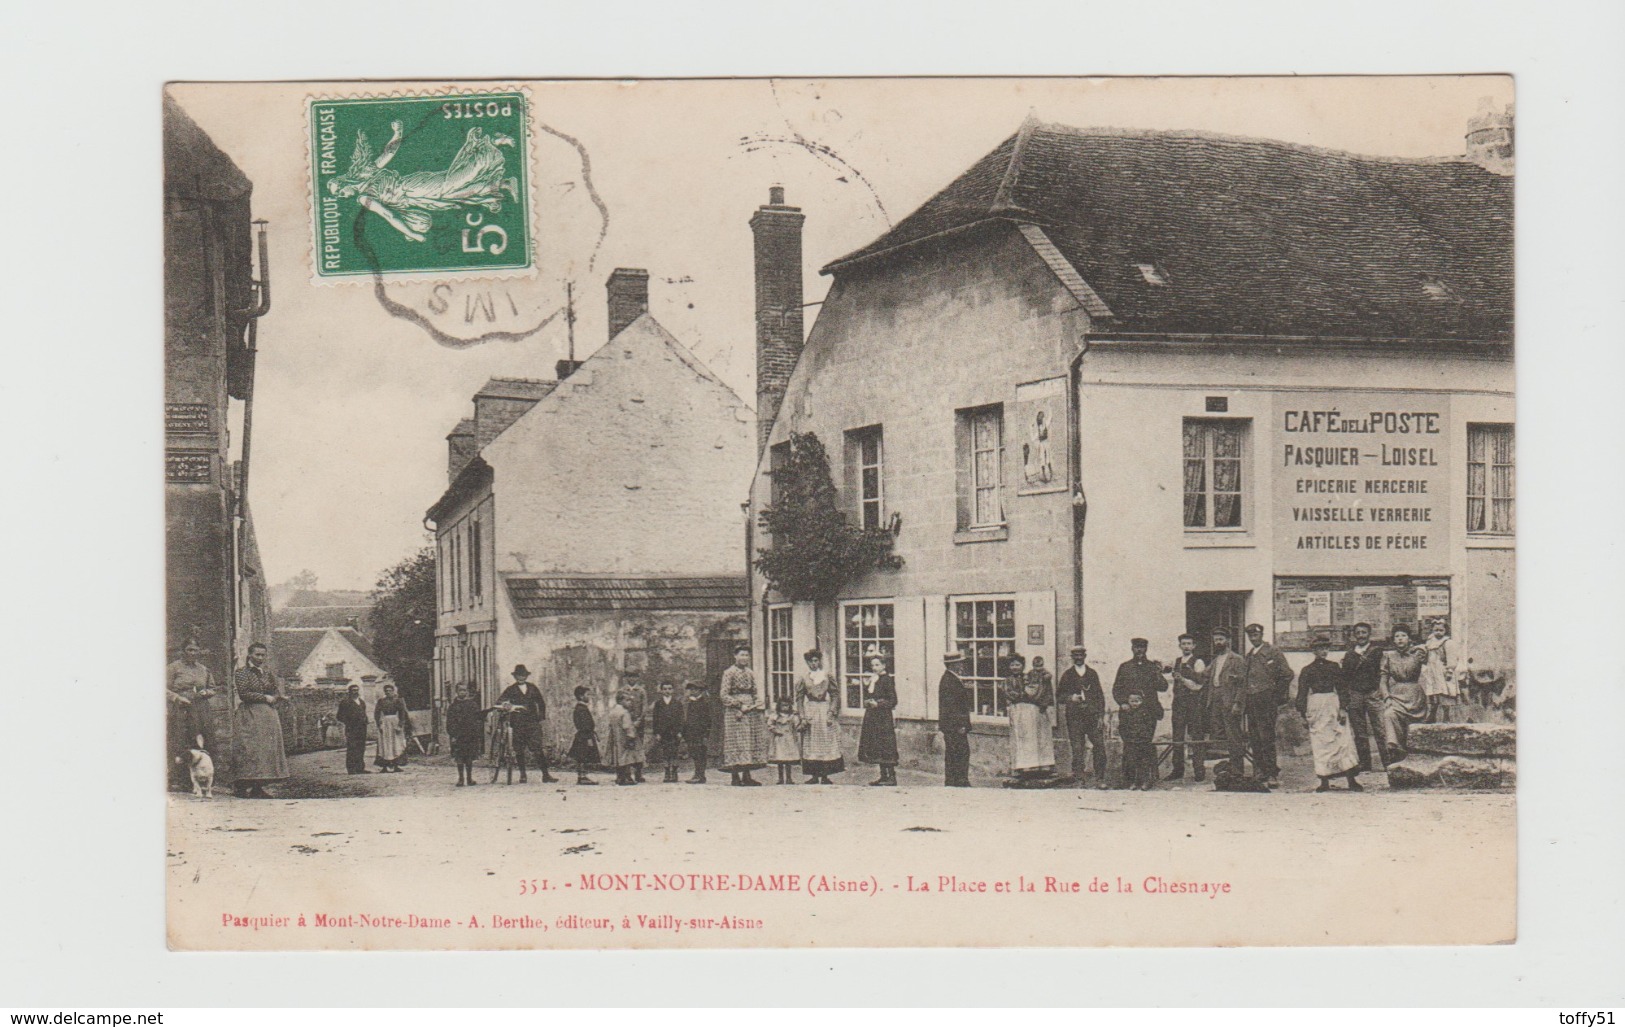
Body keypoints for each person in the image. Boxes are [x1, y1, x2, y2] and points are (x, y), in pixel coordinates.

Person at [1296, 636, 1362, 792]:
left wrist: (1343, 708)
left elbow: (1342, 688)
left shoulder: (1334, 667)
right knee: (1321, 743)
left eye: (1326, 648)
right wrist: (1303, 714)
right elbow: (1302, 693)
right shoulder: (1307, 670)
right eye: (1319, 648)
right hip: (1317, 707)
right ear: (1314, 651)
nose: (1323, 651)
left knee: (1343, 741)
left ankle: (1351, 780)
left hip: (1333, 705)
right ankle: (1324, 781)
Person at [1241, 623, 1294, 787]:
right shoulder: (1249, 655)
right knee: (1255, 737)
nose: (1253, 638)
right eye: (1250, 636)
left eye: (1255, 635)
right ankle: (1260, 771)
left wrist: (1275, 696)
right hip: (1252, 700)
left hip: (1266, 700)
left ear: (1262, 635)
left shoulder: (1273, 652)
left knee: (1267, 737)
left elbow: (1287, 674)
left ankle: (1271, 773)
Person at [232, 642, 287, 799]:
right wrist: (264, 697)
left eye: (263, 655)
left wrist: (275, 697)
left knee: (265, 750)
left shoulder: (267, 673)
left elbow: (276, 690)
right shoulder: (242, 672)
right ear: (249, 655)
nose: (260, 658)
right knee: (249, 748)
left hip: (268, 716)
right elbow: (244, 693)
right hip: (250, 714)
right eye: (257, 654)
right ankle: (241, 786)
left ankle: (258, 787)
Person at [1112, 638, 1167, 790]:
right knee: (1129, 747)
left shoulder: (1152, 667)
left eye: (1142, 647)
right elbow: (1116, 689)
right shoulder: (1125, 667)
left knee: (1145, 746)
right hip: (1129, 715)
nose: (1139, 650)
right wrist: (1123, 703)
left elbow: (1163, 687)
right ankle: (1130, 780)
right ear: (1132, 648)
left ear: (1146, 649)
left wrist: (1158, 672)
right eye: (1137, 647)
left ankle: (1146, 780)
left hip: (1148, 714)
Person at [167, 639, 218, 791]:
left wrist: (207, 692)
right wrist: (177, 698)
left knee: (203, 739)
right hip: (181, 708)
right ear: (183, 651)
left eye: (195, 650)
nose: (192, 653)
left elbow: (213, 688)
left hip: (201, 708)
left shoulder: (203, 669)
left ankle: (204, 779)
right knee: (182, 740)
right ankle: (182, 780)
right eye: (189, 650)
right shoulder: (173, 668)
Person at [1056, 644, 1107, 789]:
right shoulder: (1067, 675)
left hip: (1092, 716)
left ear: (1085, 656)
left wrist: (1101, 717)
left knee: (1099, 746)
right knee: (1077, 748)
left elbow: (1100, 696)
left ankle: (1100, 778)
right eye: (1075, 656)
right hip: (1075, 718)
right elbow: (1059, 696)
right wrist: (1071, 698)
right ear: (1072, 657)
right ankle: (1079, 778)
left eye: (1081, 655)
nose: (1078, 658)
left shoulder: (1092, 674)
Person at [497, 665, 557, 784]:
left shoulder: (532, 688)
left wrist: (540, 717)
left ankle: (546, 775)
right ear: (515, 676)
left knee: (537, 749)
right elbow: (500, 700)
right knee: (519, 750)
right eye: (518, 675)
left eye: (523, 675)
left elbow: (541, 703)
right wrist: (506, 704)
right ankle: (523, 775)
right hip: (517, 723)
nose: (521, 677)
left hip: (532, 723)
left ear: (526, 676)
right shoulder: (511, 689)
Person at [1003, 654, 1056, 786]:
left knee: (1033, 737)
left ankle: (1037, 766)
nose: (1015, 668)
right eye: (1012, 665)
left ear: (1023, 666)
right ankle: (1022, 767)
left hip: (1031, 711)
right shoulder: (1007, 680)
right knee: (1021, 738)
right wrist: (1023, 695)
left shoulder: (1029, 676)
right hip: (1018, 710)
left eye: (1018, 665)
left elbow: (1039, 686)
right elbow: (1009, 693)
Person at [1340, 622, 1386, 772]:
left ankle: (1388, 762)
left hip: (1373, 693)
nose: (1361, 636)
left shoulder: (1377, 652)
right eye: (1358, 633)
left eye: (1364, 632)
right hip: (1355, 694)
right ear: (1354, 635)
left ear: (1369, 634)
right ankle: (1365, 763)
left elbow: (1382, 673)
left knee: (1380, 729)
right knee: (1359, 732)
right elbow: (1345, 676)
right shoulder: (1349, 654)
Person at [795, 650, 845, 784]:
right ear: (807, 663)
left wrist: (832, 712)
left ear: (819, 661)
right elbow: (799, 699)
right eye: (811, 661)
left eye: (816, 661)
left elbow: (835, 695)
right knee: (811, 743)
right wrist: (802, 716)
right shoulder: (804, 678)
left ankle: (825, 776)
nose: (813, 664)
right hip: (810, 709)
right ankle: (814, 775)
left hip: (824, 709)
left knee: (826, 742)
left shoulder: (827, 676)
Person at [719, 645, 767, 786]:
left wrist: (757, 701)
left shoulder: (750, 673)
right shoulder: (729, 672)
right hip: (735, 711)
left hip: (750, 711)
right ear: (735, 656)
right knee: (736, 741)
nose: (744, 658)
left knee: (748, 741)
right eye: (742, 655)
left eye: (747, 655)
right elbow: (723, 695)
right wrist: (739, 705)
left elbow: (755, 691)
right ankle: (735, 776)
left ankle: (747, 775)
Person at [1380, 626, 1429, 763]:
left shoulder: (1418, 654)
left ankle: (1414, 754)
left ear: (1409, 639)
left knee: (1414, 725)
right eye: (1397, 636)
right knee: (1389, 714)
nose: (1400, 639)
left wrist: (1422, 648)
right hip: (1396, 694)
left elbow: (1430, 652)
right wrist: (1387, 697)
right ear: (1393, 640)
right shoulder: (1388, 656)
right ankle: (1395, 748)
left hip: (1415, 693)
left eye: (1403, 635)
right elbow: (1383, 680)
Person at [1208, 628, 1249, 780]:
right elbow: (1204, 676)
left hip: (1230, 702)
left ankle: (1238, 770)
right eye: (1216, 640)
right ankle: (1228, 767)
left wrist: (1237, 703)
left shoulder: (1236, 659)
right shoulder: (1216, 660)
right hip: (1216, 700)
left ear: (1228, 641)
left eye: (1220, 639)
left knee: (1234, 736)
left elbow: (1242, 684)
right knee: (1220, 735)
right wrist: (1185, 672)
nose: (1218, 642)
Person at [1167, 634, 1210, 783]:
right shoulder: (1176, 662)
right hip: (1178, 703)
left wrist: (1183, 680)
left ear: (1193, 646)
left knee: (1196, 736)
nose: (1186, 646)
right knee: (1177, 737)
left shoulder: (1198, 662)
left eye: (1189, 644)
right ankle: (1177, 770)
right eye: (1183, 644)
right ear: (1180, 646)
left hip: (1194, 703)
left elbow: (1199, 685)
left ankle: (1199, 770)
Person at [858, 653, 900, 786]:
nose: (874, 667)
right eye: (872, 665)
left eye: (877, 665)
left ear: (884, 665)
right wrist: (868, 699)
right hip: (873, 717)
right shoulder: (873, 679)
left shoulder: (887, 679)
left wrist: (879, 704)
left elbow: (893, 700)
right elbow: (871, 695)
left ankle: (891, 777)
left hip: (883, 718)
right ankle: (883, 776)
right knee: (877, 746)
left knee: (886, 745)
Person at [938, 650, 974, 787]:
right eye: (959, 663)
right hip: (954, 726)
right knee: (958, 752)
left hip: (953, 725)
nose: (962, 665)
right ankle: (958, 780)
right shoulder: (949, 680)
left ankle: (956, 780)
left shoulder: (951, 678)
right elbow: (951, 706)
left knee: (956, 752)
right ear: (953, 665)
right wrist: (960, 725)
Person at [1419, 618, 1459, 724]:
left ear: (1445, 630)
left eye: (1441, 630)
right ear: (1432, 630)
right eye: (1436, 630)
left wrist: (1450, 670)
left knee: (1444, 692)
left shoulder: (1447, 642)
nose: (1438, 632)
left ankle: (1446, 716)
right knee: (1433, 693)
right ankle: (1432, 714)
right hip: (1431, 671)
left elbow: (1452, 658)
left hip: (1442, 671)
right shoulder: (1429, 642)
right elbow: (1426, 655)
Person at [447, 683, 484, 787]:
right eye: (460, 690)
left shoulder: (472, 705)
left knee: (469, 757)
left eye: (464, 690)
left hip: (470, 735)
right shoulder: (453, 706)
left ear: (467, 692)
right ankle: (461, 779)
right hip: (458, 735)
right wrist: (452, 735)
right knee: (459, 757)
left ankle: (469, 778)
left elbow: (477, 719)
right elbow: (450, 722)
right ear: (457, 692)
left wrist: (477, 732)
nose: (462, 692)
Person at [648, 681, 684, 783]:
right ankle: (667, 772)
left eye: (669, 689)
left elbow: (681, 718)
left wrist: (680, 731)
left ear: (672, 690)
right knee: (665, 752)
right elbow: (655, 719)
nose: (667, 691)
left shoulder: (677, 703)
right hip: (663, 732)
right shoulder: (658, 704)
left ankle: (675, 772)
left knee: (674, 752)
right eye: (665, 689)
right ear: (661, 690)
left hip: (674, 732)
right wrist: (657, 733)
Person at [372, 683, 413, 773]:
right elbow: (377, 713)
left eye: (390, 691)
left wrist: (400, 725)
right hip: (385, 723)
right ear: (384, 692)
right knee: (385, 744)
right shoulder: (381, 701)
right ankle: (384, 766)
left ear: (393, 691)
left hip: (395, 722)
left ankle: (396, 765)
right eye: (386, 691)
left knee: (396, 743)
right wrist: (379, 724)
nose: (388, 692)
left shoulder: (398, 701)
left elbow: (402, 713)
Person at [604, 689, 639, 785]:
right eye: (627, 700)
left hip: (616, 738)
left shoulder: (613, 712)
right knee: (627, 757)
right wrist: (631, 737)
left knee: (618, 757)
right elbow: (627, 726)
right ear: (621, 701)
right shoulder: (624, 713)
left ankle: (619, 777)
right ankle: (627, 777)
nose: (630, 702)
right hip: (624, 738)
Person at [567, 685, 599, 785]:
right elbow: (585, 725)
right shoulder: (581, 709)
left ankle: (582, 776)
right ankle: (582, 777)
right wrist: (589, 737)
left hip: (584, 735)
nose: (589, 697)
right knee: (583, 757)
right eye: (587, 695)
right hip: (585, 736)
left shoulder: (581, 708)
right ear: (581, 696)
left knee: (583, 756)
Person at [681, 681, 712, 784]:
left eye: (694, 689)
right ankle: (697, 773)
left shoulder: (705, 703)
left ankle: (700, 774)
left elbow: (707, 720)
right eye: (691, 689)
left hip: (700, 733)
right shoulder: (689, 703)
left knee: (700, 753)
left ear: (700, 691)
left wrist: (705, 734)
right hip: (691, 732)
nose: (692, 691)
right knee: (694, 752)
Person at [336, 683, 370, 775]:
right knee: (352, 747)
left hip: (362, 728)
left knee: (361, 747)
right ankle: (351, 769)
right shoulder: (345, 702)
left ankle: (360, 768)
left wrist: (366, 719)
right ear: (349, 692)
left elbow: (363, 713)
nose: (356, 692)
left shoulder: (361, 702)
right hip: (351, 728)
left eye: (357, 690)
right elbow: (339, 716)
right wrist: (349, 722)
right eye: (354, 690)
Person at [767, 697, 803, 784]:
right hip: (779, 739)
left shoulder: (792, 716)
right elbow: (770, 725)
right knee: (780, 759)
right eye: (783, 705)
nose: (785, 707)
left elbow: (797, 726)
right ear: (779, 706)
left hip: (789, 739)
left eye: (787, 705)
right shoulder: (775, 716)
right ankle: (780, 778)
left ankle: (789, 778)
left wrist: (801, 726)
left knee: (788, 760)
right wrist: (775, 730)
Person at [623, 670, 649, 784]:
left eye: (634, 676)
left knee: (638, 747)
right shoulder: (622, 691)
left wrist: (639, 720)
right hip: (626, 723)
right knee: (627, 747)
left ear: (638, 678)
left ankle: (638, 773)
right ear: (626, 678)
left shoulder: (641, 691)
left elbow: (644, 706)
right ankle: (626, 773)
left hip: (638, 724)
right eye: (629, 676)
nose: (632, 679)